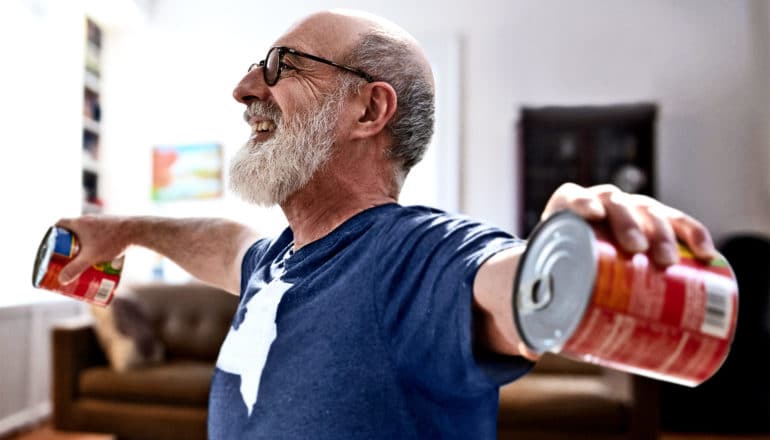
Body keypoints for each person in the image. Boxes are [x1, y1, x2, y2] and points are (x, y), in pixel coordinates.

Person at [55, 10, 717, 440]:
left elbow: (501, 288)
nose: (244, 88)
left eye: (281, 66)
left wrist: (568, 253)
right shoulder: (278, 260)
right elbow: (226, 245)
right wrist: (129, 230)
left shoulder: (416, 256)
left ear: (369, 109)